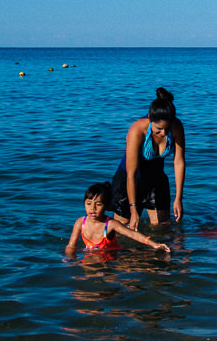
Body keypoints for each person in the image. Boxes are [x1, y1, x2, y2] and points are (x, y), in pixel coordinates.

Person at [110, 87, 186, 231]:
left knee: (162, 229)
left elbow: (179, 162)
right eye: (158, 129)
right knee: (125, 231)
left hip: (156, 179)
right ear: (150, 118)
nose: (163, 133)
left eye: (167, 129)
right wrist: (133, 210)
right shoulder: (137, 130)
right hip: (129, 181)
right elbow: (131, 173)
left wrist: (178, 198)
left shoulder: (176, 127)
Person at [65, 182, 170, 256]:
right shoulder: (80, 223)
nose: (93, 208)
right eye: (88, 204)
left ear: (106, 207)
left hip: (112, 258)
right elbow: (71, 246)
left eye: (98, 204)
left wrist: (154, 244)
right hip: (91, 258)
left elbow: (132, 234)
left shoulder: (110, 224)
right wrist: (71, 260)